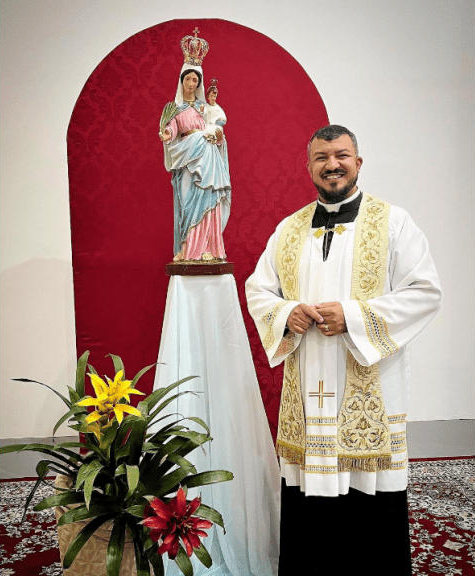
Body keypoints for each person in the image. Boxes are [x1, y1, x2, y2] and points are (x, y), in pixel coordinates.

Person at [245, 125, 442, 574]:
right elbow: (259, 290)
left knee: (369, 505)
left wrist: (353, 318)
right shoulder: (289, 230)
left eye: (341, 155)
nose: (332, 165)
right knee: (308, 510)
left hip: (370, 390)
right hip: (308, 392)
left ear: (358, 161)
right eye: (321, 157)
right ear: (308, 165)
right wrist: (286, 313)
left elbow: (425, 292)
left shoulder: (393, 222)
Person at [159, 65, 231, 263]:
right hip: (187, 156)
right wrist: (168, 134)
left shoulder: (204, 107)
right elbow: (172, 129)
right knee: (187, 200)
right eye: (188, 79)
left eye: (195, 80)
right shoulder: (175, 108)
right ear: (182, 81)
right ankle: (187, 247)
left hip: (207, 156)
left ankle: (208, 246)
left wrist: (217, 134)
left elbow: (217, 128)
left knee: (208, 197)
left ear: (199, 84)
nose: (191, 84)